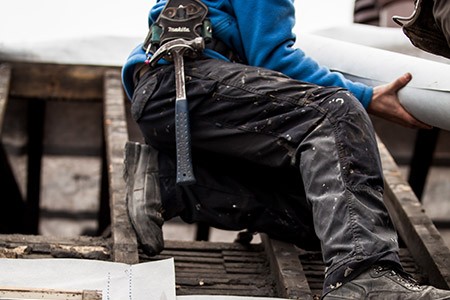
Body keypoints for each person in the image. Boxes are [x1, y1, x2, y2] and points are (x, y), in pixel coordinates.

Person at [121, 0, 450, 298]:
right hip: (183, 82)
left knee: (314, 214)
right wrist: (367, 97)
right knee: (337, 110)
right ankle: (365, 275)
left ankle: (167, 182)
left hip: (172, 97)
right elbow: (273, 56)